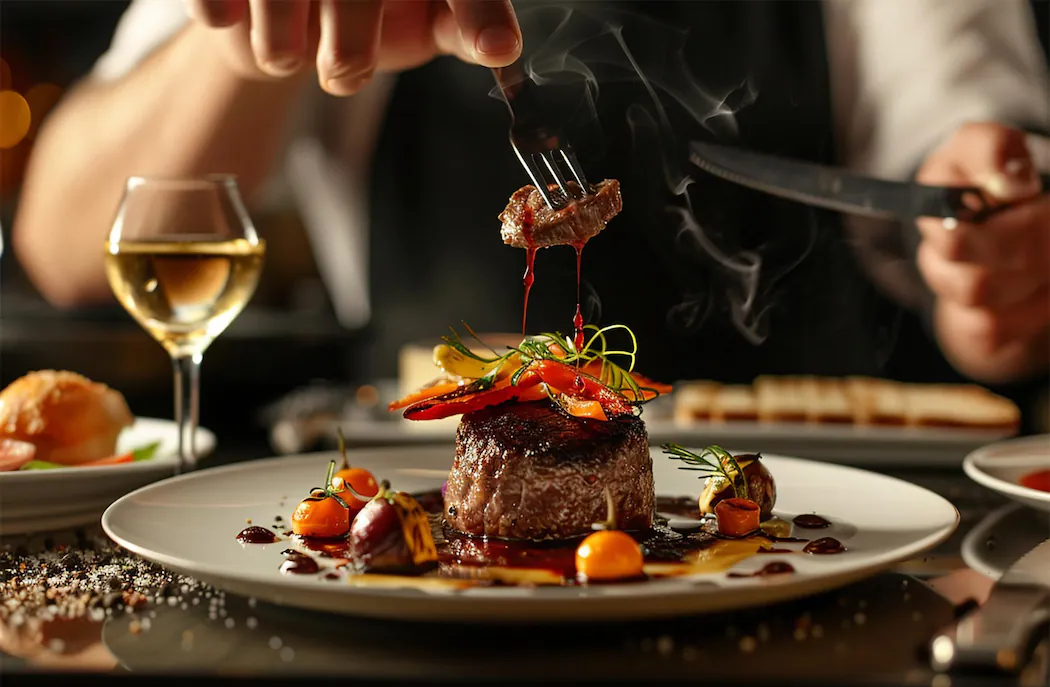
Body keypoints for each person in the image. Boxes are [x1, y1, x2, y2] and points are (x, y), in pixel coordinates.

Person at [12, 0, 1050, 386]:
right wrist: (246, 42)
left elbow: (972, 175)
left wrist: (1002, 260)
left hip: (806, 522)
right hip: (416, 529)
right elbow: (66, 240)